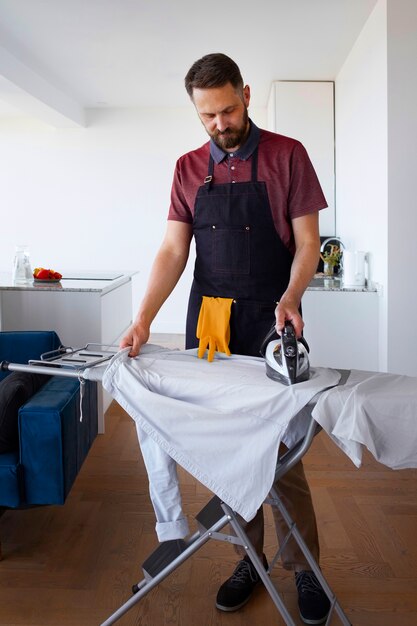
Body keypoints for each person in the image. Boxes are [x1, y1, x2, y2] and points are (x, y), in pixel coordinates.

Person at [121, 53, 330, 625]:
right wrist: (143, 317)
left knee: (284, 451)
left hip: (273, 314)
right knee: (225, 449)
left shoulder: (288, 155)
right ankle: (249, 559)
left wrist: (291, 297)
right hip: (211, 321)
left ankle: (305, 567)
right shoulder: (188, 168)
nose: (219, 123)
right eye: (207, 115)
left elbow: (309, 243)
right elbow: (172, 251)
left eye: (228, 109)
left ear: (246, 94)